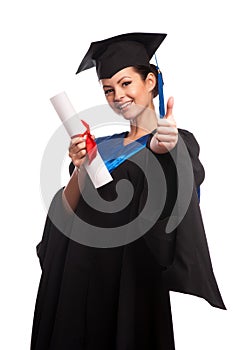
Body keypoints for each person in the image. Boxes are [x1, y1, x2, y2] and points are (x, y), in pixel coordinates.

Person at [30, 32, 226, 350]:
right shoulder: (102, 146)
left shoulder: (177, 141)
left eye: (125, 83)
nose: (117, 95)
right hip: (75, 272)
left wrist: (168, 153)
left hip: (129, 280)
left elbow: (177, 206)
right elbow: (64, 216)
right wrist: (80, 167)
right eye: (108, 89)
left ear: (150, 81)